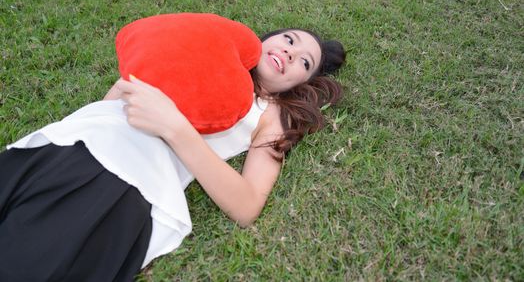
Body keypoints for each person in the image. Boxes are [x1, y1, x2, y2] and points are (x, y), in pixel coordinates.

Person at [0, 22, 345, 281]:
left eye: (304, 62)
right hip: (69, 145)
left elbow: (247, 205)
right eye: (289, 40)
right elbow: (124, 89)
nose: (289, 52)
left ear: (303, 84)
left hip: (126, 183)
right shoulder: (208, 52)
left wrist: (175, 128)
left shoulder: (270, 115)